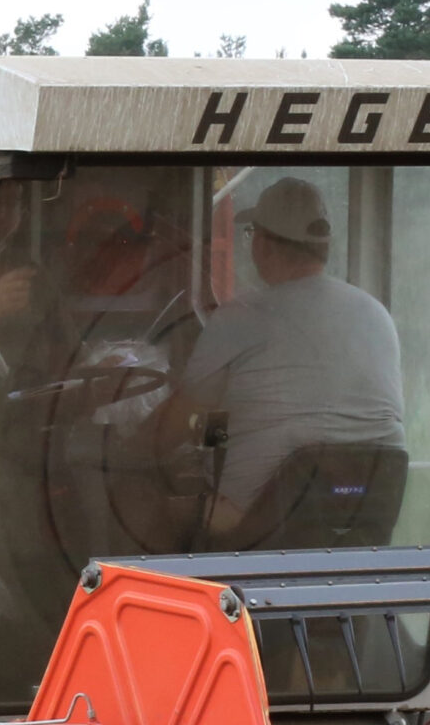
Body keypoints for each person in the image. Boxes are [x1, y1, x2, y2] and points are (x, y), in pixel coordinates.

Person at [159, 177, 406, 538]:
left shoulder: (242, 316)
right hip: (362, 517)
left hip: (257, 519)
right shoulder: (377, 314)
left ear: (262, 244)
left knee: (147, 506)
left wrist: (122, 445)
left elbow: (175, 424)